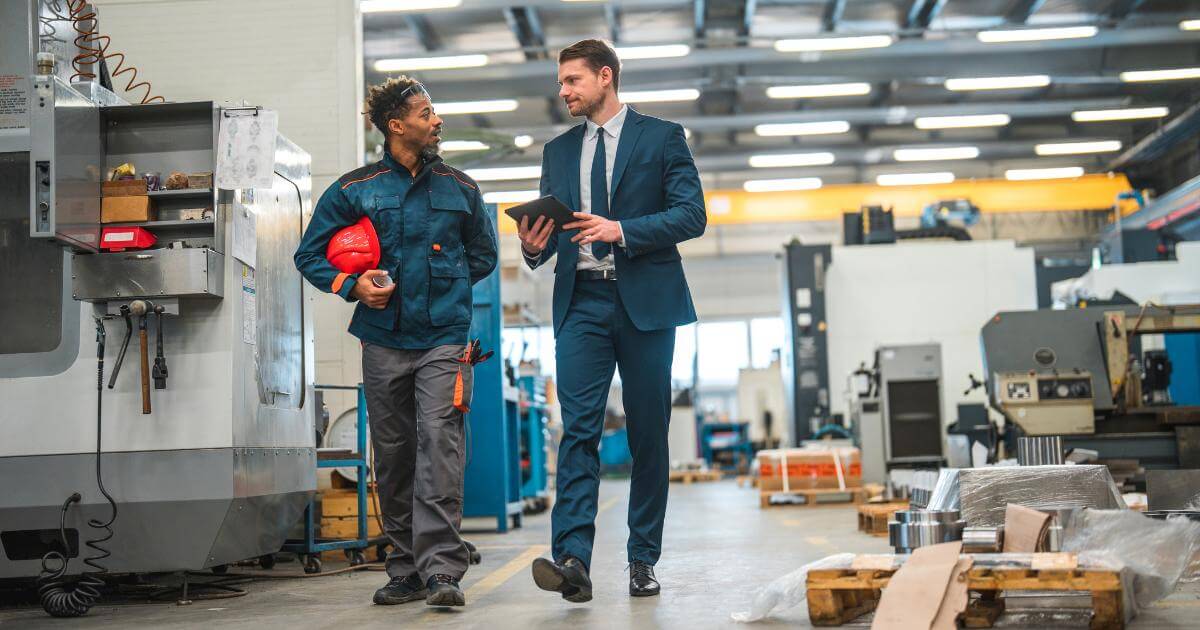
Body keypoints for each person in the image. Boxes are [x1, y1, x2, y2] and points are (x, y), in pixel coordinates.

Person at [293, 76, 497, 608]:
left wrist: (443, 290)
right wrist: (351, 284)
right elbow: (309, 255)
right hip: (382, 339)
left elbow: (484, 256)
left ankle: (442, 572)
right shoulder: (354, 189)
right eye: (427, 112)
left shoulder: (462, 188)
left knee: (440, 448)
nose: (438, 120)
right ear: (396, 125)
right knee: (395, 454)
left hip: (445, 340)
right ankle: (404, 567)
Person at [518, 39, 706, 602]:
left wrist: (620, 229)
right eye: (561, 82)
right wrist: (533, 248)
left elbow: (691, 214)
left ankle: (642, 559)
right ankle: (572, 558)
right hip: (582, 303)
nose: (564, 91)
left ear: (605, 77)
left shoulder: (662, 137)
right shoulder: (557, 151)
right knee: (578, 431)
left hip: (645, 299)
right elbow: (551, 237)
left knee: (650, 435)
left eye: (573, 80)